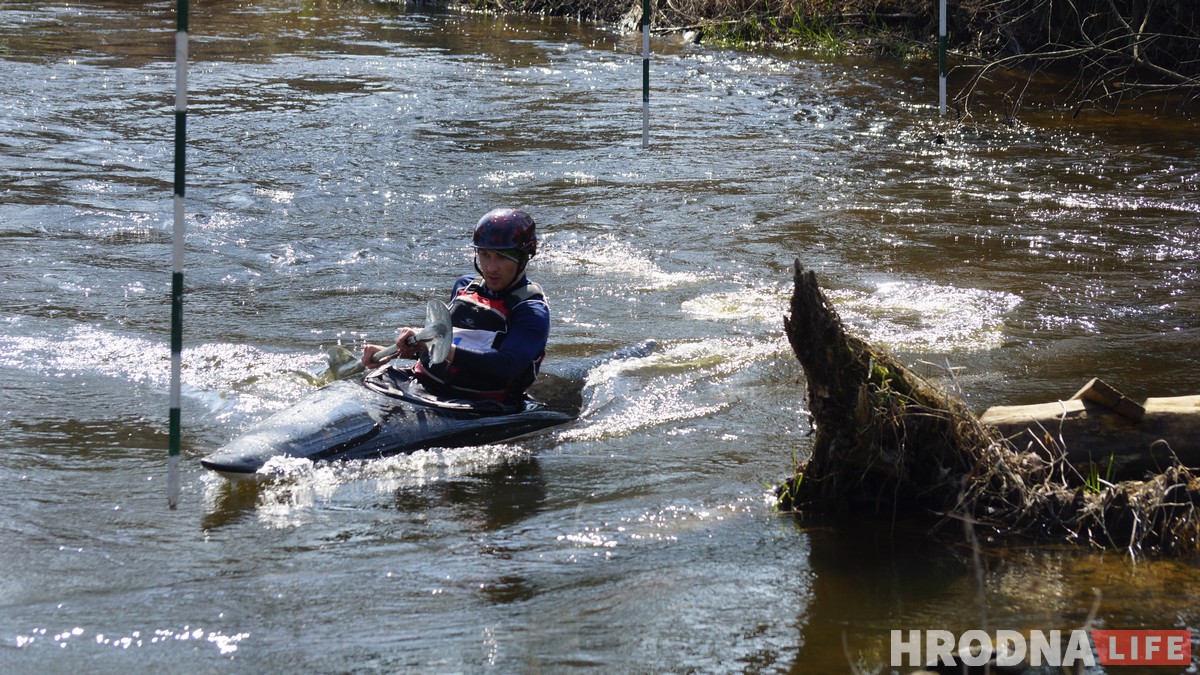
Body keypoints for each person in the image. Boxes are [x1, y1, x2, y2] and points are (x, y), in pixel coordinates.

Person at [361, 208, 549, 404]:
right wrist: (401, 350)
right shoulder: (465, 287)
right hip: (420, 385)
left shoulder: (531, 311)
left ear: (525, 256)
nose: (491, 268)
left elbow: (506, 364)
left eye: (502, 257)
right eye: (484, 254)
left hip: (479, 405)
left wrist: (437, 345)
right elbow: (459, 346)